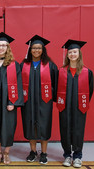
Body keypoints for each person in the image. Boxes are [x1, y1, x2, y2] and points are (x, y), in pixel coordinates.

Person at [0, 32, 24, 165]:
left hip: (9, 102)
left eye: (3, 45)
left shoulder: (14, 65)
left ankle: (6, 153)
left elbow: (18, 84)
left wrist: (13, 102)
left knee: (8, 126)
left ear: (8, 48)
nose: (1, 48)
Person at [21, 35, 58, 165]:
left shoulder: (50, 66)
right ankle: (32, 152)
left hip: (44, 102)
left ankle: (43, 153)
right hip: (28, 101)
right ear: (30, 50)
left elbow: (56, 83)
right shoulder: (24, 65)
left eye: (39, 48)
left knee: (44, 126)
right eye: (34, 48)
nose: (36, 50)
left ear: (43, 50)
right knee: (30, 125)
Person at [57, 40, 94, 168]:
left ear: (79, 53)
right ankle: (67, 155)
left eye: (75, 52)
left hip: (79, 107)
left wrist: (81, 103)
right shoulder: (61, 71)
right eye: (70, 52)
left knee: (78, 130)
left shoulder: (87, 72)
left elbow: (90, 90)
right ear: (67, 55)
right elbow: (56, 88)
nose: (72, 54)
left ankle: (77, 156)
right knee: (65, 129)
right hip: (64, 107)